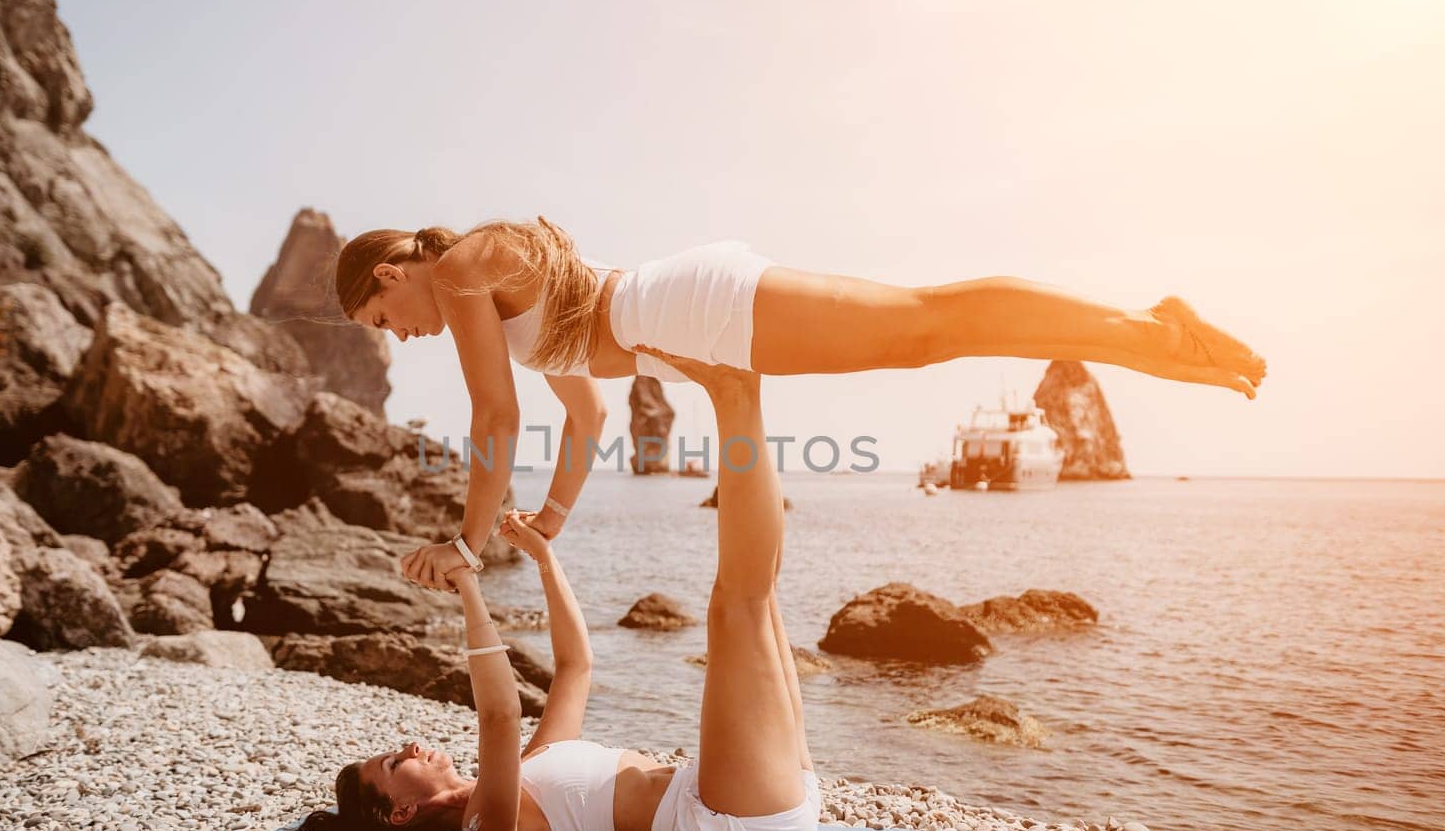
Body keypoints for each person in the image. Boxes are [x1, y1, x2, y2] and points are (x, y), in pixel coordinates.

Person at [333, 218, 1268, 588]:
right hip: (684, 322)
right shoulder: (503, 308)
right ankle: (1147, 331)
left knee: (925, 323)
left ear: (389, 272)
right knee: (923, 330)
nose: (400, 333)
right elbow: (585, 419)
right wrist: (554, 517)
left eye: (386, 316)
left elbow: (495, 421)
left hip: (687, 308)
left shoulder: (462, 268)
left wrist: (466, 540)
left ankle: (1148, 329)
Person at [292, 346, 819, 831]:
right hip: (730, 827)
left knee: (760, 593)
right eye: (391, 763)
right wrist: (467, 581)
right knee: (735, 607)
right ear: (399, 812)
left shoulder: (530, 767)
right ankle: (734, 388)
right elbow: (499, 718)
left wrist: (545, 557)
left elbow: (575, 666)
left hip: (759, 794)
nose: (408, 747)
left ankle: (740, 386)